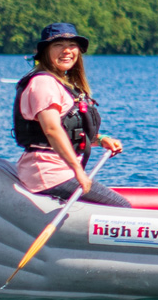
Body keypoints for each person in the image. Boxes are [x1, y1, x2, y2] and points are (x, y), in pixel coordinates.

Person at [14, 23, 128, 206]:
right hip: (48, 173)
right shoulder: (43, 83)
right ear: (45, 52)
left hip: (60, 171)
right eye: (58, 45)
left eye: (72, 45)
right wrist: (78, 171)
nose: (66, 51)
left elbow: (69, 132)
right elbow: (51, 130)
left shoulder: (62, 83)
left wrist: (100, 139)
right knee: (122, 207)